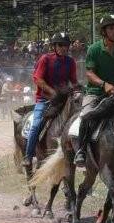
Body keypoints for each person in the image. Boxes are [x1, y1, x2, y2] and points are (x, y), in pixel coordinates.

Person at [74, 15, 114, 167]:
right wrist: (104, 85)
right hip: (94, 92)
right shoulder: (94, 49)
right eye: (111, 28)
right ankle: (81, 151)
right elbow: (89, 74)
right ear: (104, 31)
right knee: (86, 116)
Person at [22, 32, 77, 168]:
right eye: (60, 45)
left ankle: (82, 155)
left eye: (66, 45)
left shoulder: (70, 62)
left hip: (64, 100)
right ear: (54, 46)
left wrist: (78, 90)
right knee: (36, 125)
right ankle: (28, 156)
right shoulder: (45, 59)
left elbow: (74, 81)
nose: (63, 48)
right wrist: (52, 92)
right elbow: (38, 79)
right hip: (45, 100)